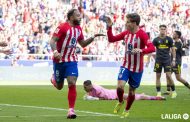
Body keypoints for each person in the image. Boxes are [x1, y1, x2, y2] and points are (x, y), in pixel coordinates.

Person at [49, 9, 105, 119]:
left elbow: (82, 43)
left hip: (72, 60)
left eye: (80, 15)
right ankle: (54, 79)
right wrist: (55, 52)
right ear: (71, 17)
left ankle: (71, 110)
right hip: (59, 60)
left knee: (71, 83)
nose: (80, 17)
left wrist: (93, 37)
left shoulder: (79, 29)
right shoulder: (62, 27)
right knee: (59, 86)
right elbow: (52, 41)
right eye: (77, 15)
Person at [106, 13, 155, 118]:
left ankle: (127, 109)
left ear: (134, 23)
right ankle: (120, 101)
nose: (126, 24)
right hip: (126, 65)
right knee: (119, 87)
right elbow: (111, 39)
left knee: (132, 91)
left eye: (128, 22)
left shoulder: (142, 34)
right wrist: (109, 27)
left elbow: (152, 48)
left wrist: (141, 50)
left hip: (137, 69)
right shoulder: (126, 33)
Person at [153, 25, 177, 98]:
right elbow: (151, 49)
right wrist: (151, 58)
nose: (163, 30)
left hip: (167, 60)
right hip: (158, 60)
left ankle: (173, 91)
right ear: (159, 30)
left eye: (164, 29)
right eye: (161, 29)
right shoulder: (156, 40)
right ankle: (158, 93)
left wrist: (173, 60)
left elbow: (173, 50)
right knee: (158, 76)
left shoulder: (169, 39)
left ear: (166, 30)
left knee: (169, 76)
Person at [83, 80, 166, 101]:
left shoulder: (97, 89)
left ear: (89, 85)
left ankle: (156, 97)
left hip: (115, 95)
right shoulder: (91, 89)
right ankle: (142, 94)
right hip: (113, 93)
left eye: (85, 87)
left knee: (136, 98)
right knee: (134, 97)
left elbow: (103, 98)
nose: (84, 89)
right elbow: (89, 95)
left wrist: (93, 98)